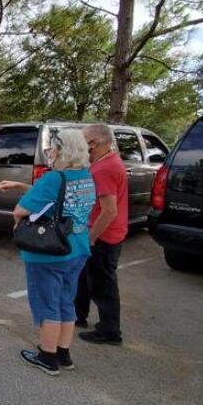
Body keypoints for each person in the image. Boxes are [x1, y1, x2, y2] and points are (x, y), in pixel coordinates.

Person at [0, 129, 95, 376]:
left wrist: (20, 207)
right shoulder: (85, 177)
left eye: (51, 148)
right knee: (65, 301)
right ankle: (64, 353)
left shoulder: (54, 178)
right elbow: (58, 198)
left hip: (50, 252)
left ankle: (47, 356)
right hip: (78, 248)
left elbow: (21, 210)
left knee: (47, 304)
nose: (49, 153)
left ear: (60, 150)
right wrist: (22, 185)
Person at [76, 124, 129, 346]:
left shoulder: (104, 168)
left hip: (104, 237)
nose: (80, 144)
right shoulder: (104, 163)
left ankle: (109, 331)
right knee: (83, 279)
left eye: (83, 140)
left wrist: (90, 239)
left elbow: (109, 211)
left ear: (93, 143)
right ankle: (78, 315)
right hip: (102, 233)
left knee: (102, 285)